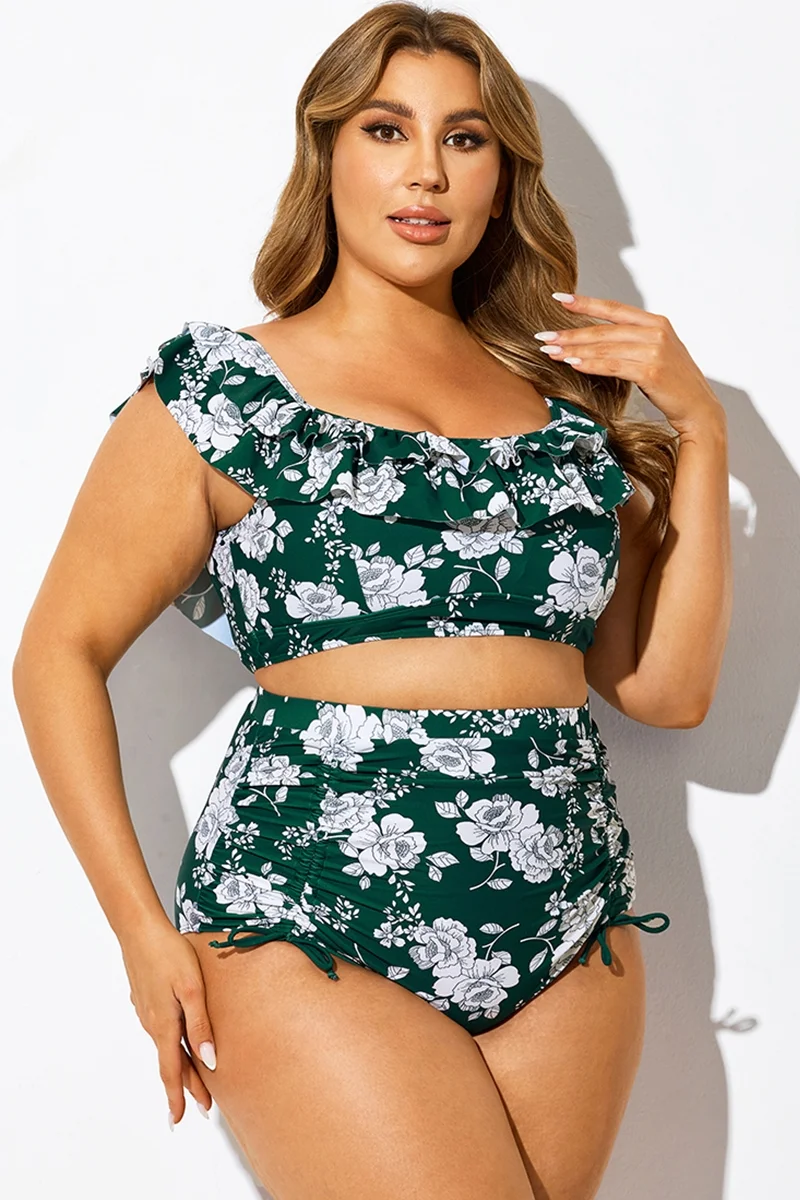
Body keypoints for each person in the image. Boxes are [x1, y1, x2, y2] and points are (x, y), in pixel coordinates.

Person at [12, 4, 732, 1198]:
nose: (425, 171)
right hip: (305, 912)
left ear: (500, 179)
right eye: (386, 129)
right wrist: (140, 931)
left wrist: (698, 432)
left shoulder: (565, 418)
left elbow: (665, 691)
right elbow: (57, 652)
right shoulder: (227, 391)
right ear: (327, 152)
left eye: (464, 138)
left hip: (567, 921)